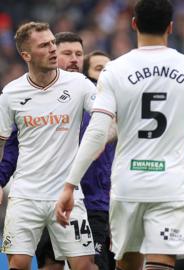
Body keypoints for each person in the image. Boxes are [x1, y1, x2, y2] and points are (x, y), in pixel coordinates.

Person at [55, 1, 184, 270]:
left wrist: (70, 184)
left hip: (128, 185)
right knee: (161, 260)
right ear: (170, 27)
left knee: (128, 261)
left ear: (133, 24)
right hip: (170, 185)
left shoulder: (115, 69)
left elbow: (96, 132)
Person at [0, 22, 97, 270]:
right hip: (25, 194)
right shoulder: (11, 94)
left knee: (84, 265)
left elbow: (106, 118)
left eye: (53, 42)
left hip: (67, 193)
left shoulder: (79, 84)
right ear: (26, 55)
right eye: (44, 45)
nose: (53, 49)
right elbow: (1, 142)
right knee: (19, 264)